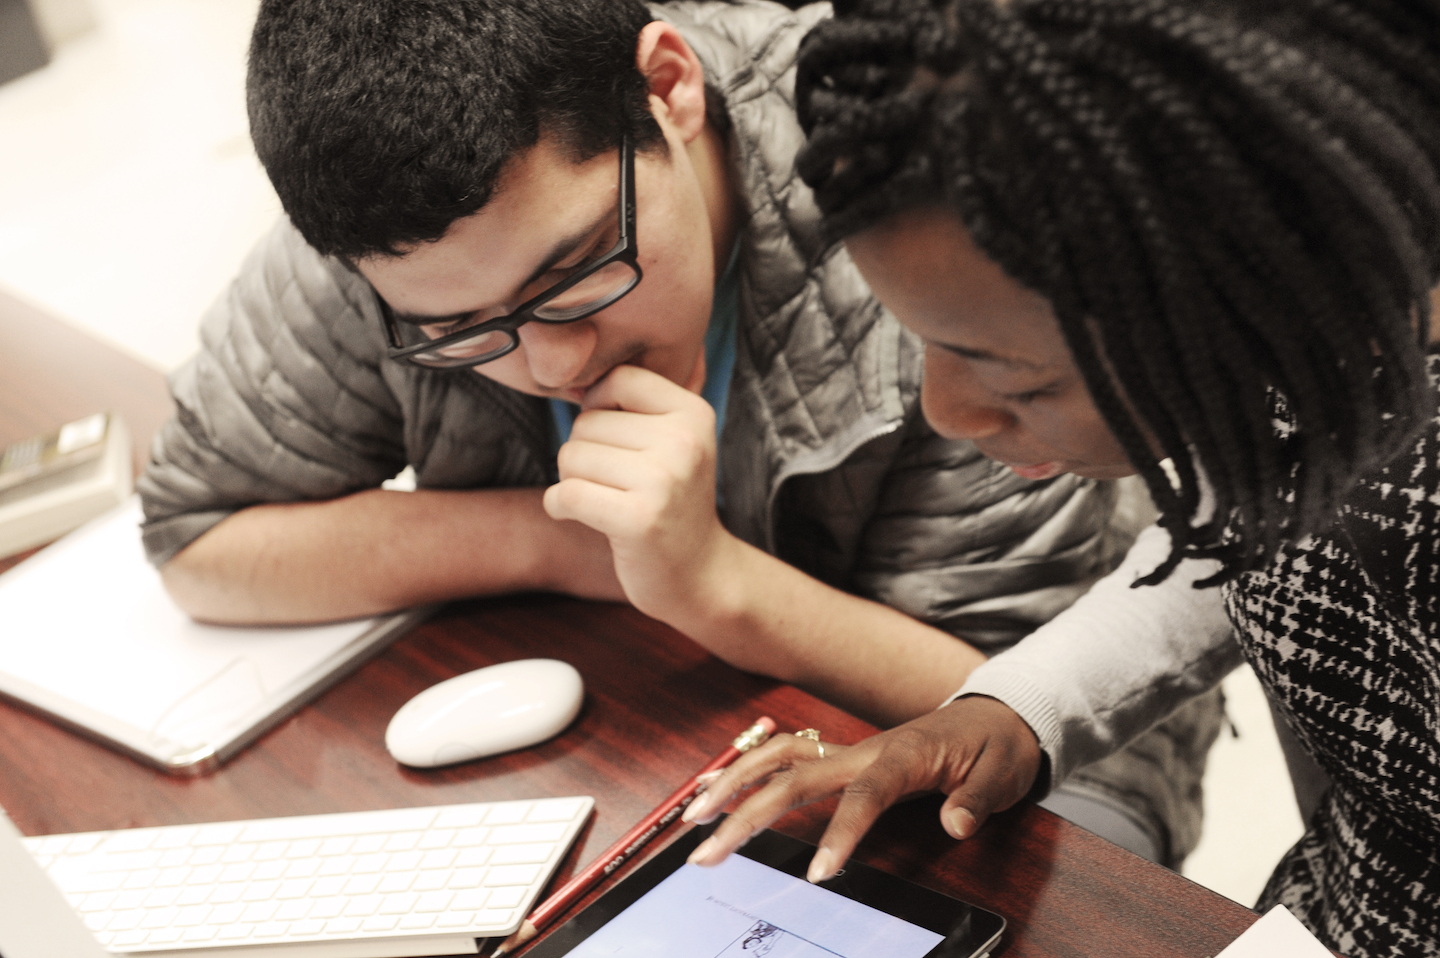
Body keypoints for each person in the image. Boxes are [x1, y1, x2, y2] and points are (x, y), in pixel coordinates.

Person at [135, 0, 1220, 866]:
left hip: (1050, 780)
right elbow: (196, 539)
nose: (553, 362)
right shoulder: (396, 233)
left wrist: (709, 579)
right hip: (661, 733)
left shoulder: (902, 194)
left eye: (575, 273)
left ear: (670, 88)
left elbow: (1033, 696)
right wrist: (566, 544)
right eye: (462, 330)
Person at [685, 0, 1440, 954]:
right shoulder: (1303, 368)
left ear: (1231, 284)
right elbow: (1249, 546)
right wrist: (1017, 711)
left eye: (1017, 379)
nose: (944, 410)